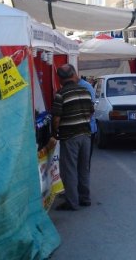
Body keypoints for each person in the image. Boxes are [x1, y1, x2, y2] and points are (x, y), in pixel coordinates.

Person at [51, 64, 94, 211]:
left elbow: (56, 119)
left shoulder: (61, 94)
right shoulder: (85, 91)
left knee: (69, 170)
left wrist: (55, 132)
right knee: (83, 168)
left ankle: (72, 202)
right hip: (86, 135)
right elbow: (91, 112)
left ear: (61, 79)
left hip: (70, 137)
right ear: (74, 75)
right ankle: (85, 198)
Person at [77, 75, 97, 169]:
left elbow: (91, 108)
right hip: (80, 129)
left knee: (85, 160)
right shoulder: (77, 86)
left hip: (87, 129)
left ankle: (83, 181)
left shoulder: (86, 86)